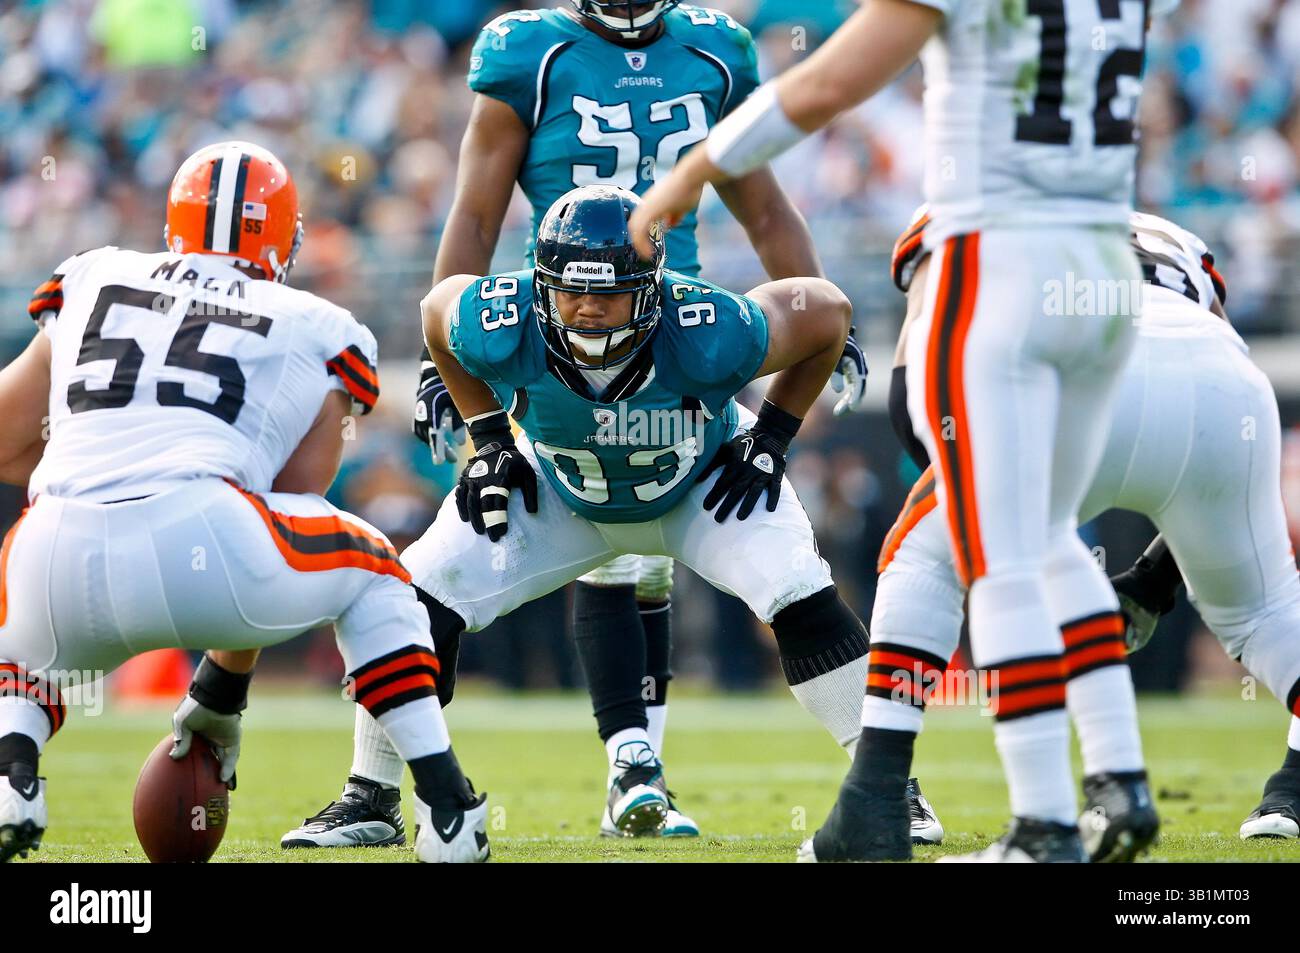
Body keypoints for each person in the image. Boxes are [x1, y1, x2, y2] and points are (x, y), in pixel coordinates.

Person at [290, 0, 868, 847]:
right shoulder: (528, 52)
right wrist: (481, 420)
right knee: (434, 588)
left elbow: (767, 210)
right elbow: (472, 231)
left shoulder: (716, 50)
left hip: (675, 338)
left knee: (701, 564)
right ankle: (383, 790)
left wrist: (806, 364)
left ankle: (844, 777)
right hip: (551, 324)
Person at [631, 0, 1180, 861]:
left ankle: (1043, 821)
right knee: (1047, 535)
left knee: (995, 552)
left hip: (998, 262)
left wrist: (692, 168)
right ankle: (1121, 776)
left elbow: (827, 83)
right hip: (1106, 262)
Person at [0, 142, 486, 864]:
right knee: (378, 567)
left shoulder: (93, 273)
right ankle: (449, 808)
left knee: (19, 645)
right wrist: (223, 687)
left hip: (55, 544)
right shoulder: (315, 322)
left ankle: (14, 772)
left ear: (173, 226)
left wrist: (105, 464)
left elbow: (7, 438)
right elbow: (288, 501)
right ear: (285, 240)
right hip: (203, 540)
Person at [403, 183, 874, 837]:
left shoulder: (709, 328)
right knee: (411, 598)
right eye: (572, 291)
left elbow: (829, 310)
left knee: (796, 587)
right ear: (540, 286)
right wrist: (488, 440)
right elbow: (435, 312)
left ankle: (889, 784)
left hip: (700, 485)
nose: (589, 309)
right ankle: (376, 795)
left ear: (652, 290)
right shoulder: (500, 314)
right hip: (567, 491)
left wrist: (771, 438)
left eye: (609, 293)